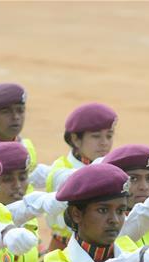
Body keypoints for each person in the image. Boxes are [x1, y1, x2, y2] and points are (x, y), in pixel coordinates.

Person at [38, 102, 117, 252]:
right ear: (75, 139)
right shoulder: (61, 169)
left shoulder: (111, 167)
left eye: (109, 135)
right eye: (96, 136)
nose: (104, 143)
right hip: (64, 248)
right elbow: (77, 179)